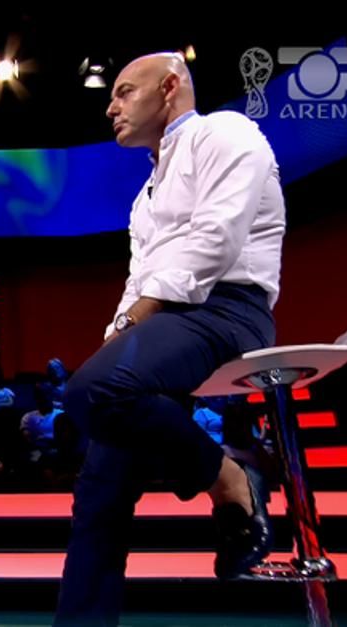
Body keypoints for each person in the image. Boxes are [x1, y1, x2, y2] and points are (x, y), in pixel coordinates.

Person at [54, 53, 286, 625]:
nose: (111, 107)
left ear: (169, 87)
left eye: (124, 92)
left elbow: (214, 241)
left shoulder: (226, 133)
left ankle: (232, 479)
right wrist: (116, 337)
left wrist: (130, 329)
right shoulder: (145, 196)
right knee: (98, 498)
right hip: (165, 322)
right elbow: (138, 282)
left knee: (95, 391)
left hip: (229, 310)